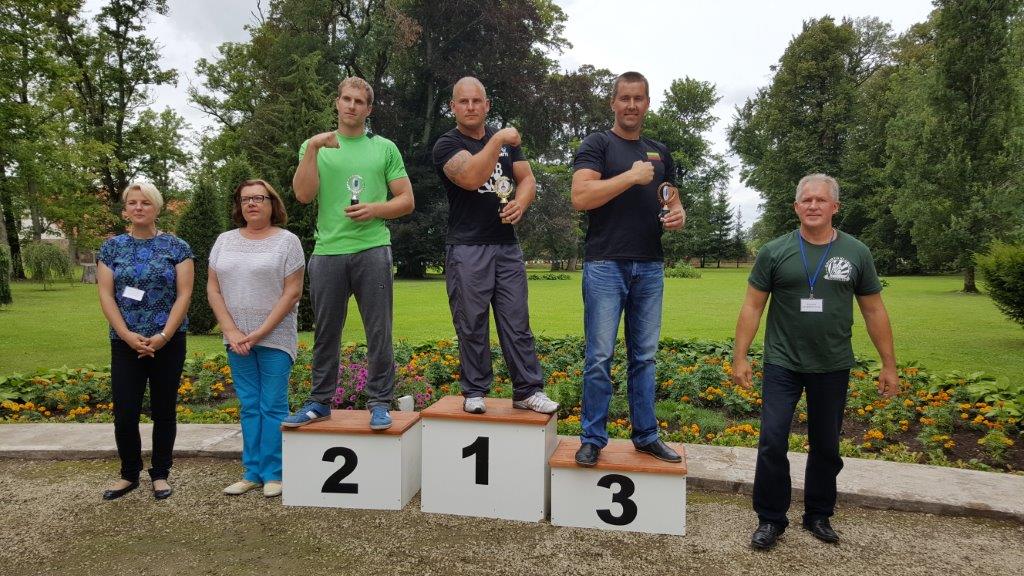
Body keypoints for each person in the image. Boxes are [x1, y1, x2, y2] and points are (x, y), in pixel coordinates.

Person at [732, 173, 899, 550]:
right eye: (806, 200)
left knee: (826, 444)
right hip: (782, 363)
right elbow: (752, 306)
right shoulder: (774, 251)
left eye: (820, 200)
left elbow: (874, 310)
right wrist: (740, 356)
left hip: (832, 363)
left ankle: (818, 514)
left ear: (835, 207)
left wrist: (889, 364)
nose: (812, 206)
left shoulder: (856, 252)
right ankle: (770, 519)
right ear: (796, 207)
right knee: (772, 441)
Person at [284, 76, 414, 431]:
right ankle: (319, 402)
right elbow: (303, 195)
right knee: (326, 331)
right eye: (346, 99)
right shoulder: (316, 145)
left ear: (368, 109)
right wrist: (313, 147)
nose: (352, 106)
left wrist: (375, 209)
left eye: (359, 101)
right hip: (328, 251)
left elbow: (406, 200)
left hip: (373, 249)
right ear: (337, 102)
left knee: (379, 330)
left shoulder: (384, 148)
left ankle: (380, 403)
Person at [570, 71, 686, 467]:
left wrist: (678, 213)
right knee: (599, 356)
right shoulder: (597, 144)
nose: (632, 105)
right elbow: (581, 196)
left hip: (650, 265)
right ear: (613, 103)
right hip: (606, 264)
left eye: (639, 98)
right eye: (625, 98)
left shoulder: (660, 152)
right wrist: (630, 177)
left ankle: (647, 436)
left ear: (647, 103)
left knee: (645, 357)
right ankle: (592, 439)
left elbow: (670, 197)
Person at [432, 77, 558, 415]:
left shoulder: (507, 144)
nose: (471, 106)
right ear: (453, 107)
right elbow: (471, 177)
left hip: (506, 246)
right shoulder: (446, 144)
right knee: (471, 322)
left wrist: (521, 202)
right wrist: (498, 138)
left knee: (517, 322)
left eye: (477, 101)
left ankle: (528, 391)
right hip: (467, 246)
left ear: (487, 105)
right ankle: (474, 391)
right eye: (463, 101)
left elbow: (527, 178)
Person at [97, 182, 194, 500]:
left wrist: (164, 335)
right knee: (125, 412)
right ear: (125, 209)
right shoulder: (111, 249)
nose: (139, 207)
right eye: (133, 203)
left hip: (167, 341)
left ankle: (161, 474)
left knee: (164, 410)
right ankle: (129, 474)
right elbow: (106, 295)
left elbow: (184, 295)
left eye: (146, 202)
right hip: (126, 342)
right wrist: (127, 335)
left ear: (157, 207)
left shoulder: (177, 247)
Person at [208, 179, 304, 498]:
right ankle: (251, 472)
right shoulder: (224, 241)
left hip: (275, 337)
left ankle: (275, 473)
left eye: (259, 198)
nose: (251, 203)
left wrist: (260, 331)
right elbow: (213, 289)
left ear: (272, 204)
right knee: (249, 405)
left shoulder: (287, 242)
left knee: (273, 405)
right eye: (245, 199)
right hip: (236, 340)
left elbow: (292, 293)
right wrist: (231, 331)